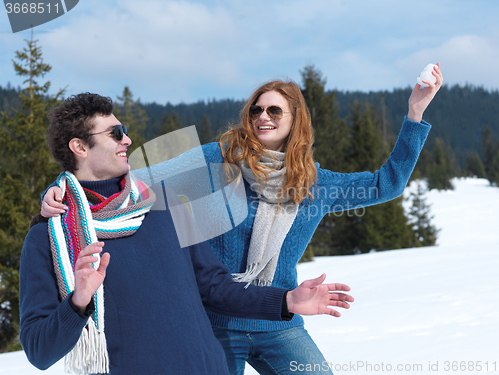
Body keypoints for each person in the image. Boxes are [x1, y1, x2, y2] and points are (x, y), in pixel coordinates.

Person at [40, 64, 443, 375]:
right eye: (256, 109)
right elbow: (139, 178)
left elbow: (385, 184)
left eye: (274, 110)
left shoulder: (314, 184)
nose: (262, 116)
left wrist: (414, 113)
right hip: (215, 324)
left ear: (294, 119)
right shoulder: (217, 159)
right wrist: (65, 188)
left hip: (279, 322)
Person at [20, 93, 355, 375]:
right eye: (115, 133)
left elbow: (215, 286)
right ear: (79, 146)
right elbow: (39, 350)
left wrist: (286, 300)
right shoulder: (49, 238)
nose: (128, 139)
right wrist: (78, 302)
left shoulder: (161, 206)